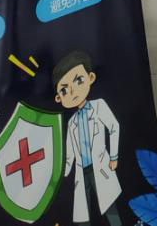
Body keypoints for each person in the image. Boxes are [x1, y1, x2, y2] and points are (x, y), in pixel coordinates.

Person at [53, 51, 122, 226]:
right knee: (84, 215)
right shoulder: (72, 123)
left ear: (90, 78)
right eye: (64, 90)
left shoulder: (99, 106)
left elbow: (114, 127)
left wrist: (114, 157)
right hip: (82, 172)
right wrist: (62, 173)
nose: (73, 91)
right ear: (59, 98)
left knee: (110, 208)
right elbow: (70, 154)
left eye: (78, 80)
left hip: (101, 166)